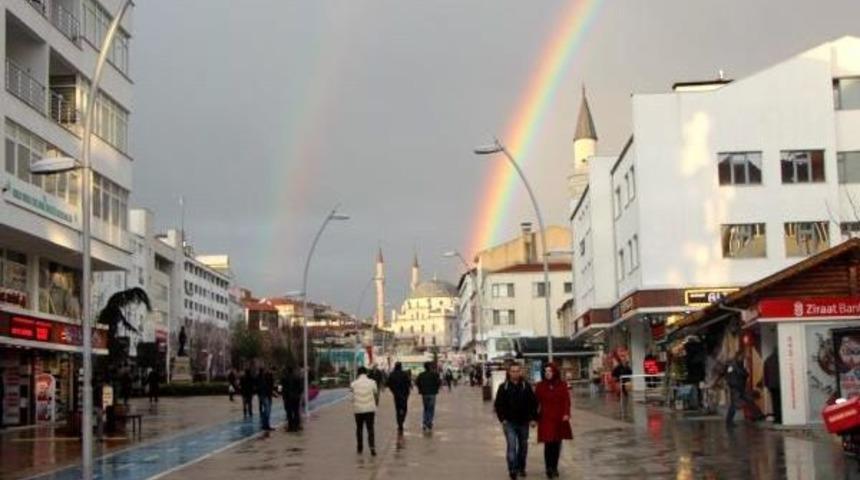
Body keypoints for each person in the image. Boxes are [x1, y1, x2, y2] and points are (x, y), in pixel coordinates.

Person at [495, 363, 538, 480]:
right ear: (509, 373)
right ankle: (512, 470)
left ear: (520, 372)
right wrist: (502, 419)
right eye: (513, 371)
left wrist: (534, 418)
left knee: (523, 447)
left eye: (517, 371)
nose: (515, 373)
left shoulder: (526, 386)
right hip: (509, 423)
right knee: (511, 446)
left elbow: (533, 403)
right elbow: (498, 405)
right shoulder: (503, 387)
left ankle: (521, 467)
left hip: (524, 422)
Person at [535, 363, 572, 478]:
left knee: (557, 443)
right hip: (546, 418)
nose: (547, 373)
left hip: (559, 418)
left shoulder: (562, 385)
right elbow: (535, 402)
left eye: (550, 371)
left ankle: (554, 467)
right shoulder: (540, 386)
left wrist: (566, 413)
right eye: (546, 371)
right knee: (548, 443)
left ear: (554, 372)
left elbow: (566, 400)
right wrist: (533, 417)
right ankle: (548, 468)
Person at [725, 353, 763, 426]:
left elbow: (744, 374)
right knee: (735, 405)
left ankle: (758, 415)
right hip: (736, 388)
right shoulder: (732, 366)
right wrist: (734, 385)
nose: (742, 359)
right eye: (741, 357)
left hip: (740, 388)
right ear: (737, 357)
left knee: (748, 400)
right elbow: (730, 377)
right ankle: (729, 421)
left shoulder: (740, 365)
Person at [351, 366, 379, 455]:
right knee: (370, 428)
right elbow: (376, 393)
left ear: (358, 373)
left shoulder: (353, 384)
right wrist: (376, 404)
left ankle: (360, 447)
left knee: (359, 428)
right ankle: (372, 447)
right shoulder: (372, 382)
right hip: (370, 409)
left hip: (358, 409)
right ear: (366, 373)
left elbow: (352, 397)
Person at [415, 362, 442, 432]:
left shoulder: (421, 375)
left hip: (424, 394)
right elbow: (439, 382)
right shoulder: (434, 374)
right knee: (431, 408)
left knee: (426, 408)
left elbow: (417, 382)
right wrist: (436, 388)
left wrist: (420, 389)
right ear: (430, 367)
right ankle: (429, 422)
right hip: (432, 393)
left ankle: (424, 422)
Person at [387, 362, 412, 434]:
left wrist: (393, 390)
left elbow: (388, 383)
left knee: (397, 409)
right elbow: (408, 383)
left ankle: (399, 423)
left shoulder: (392, 374)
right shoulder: (404, 374)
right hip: (404, 395)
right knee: (404, 409)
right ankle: (402, 420)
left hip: (396, 395)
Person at [281, 366, 304, 432]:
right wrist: (298, 394)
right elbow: (301, 388)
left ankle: (290, 426)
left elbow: (283, 388)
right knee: (296, 412)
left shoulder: (284, 378)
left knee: (289, 412)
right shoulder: (297, 378)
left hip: (288, 398)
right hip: (296, 398)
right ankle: (296, 426)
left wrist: (284, 396)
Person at [763, 349, 781, 424]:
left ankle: (777, 418)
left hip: (772, 384)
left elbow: (765, 374)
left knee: (775, 401)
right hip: (780, 384)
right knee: (780, 401)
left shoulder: (768, 360)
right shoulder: (780, 359)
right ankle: (781, 417)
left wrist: (766, 384)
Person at [257, 367, 276, 431]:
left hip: (267, 395)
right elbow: (266, 387)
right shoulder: (265, 377)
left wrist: (273, 393)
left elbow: (270, 387)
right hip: (265, 395)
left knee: (267, 410)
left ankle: (265, 424)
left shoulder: (270, 377)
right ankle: (265, 425)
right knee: (267, 410)